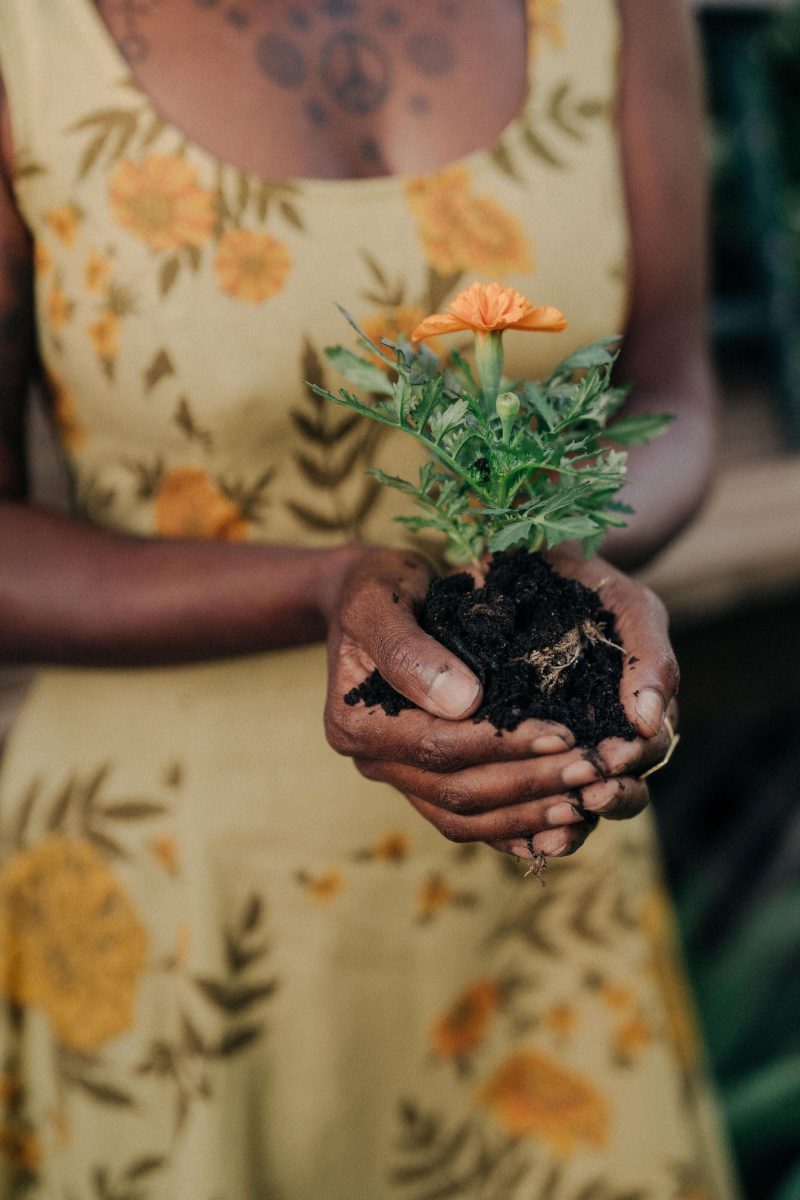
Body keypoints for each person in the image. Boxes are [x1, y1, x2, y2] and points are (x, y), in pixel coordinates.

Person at [0, 0, 738, 1196]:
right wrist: (323, 588)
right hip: (174, 891)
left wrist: (563, 546)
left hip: (543, 824)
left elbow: (672, 385)